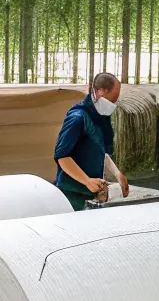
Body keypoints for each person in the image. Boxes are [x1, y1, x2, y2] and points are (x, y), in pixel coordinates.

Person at [53, 72, 130, 211]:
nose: (114, 104)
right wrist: (86, 181)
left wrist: (117, 174)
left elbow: (100, 151)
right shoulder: (77, 117)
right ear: (98, 92)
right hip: (72, 195)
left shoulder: (102, 117)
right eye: (112, 100)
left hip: (91, 193)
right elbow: (62, 157)